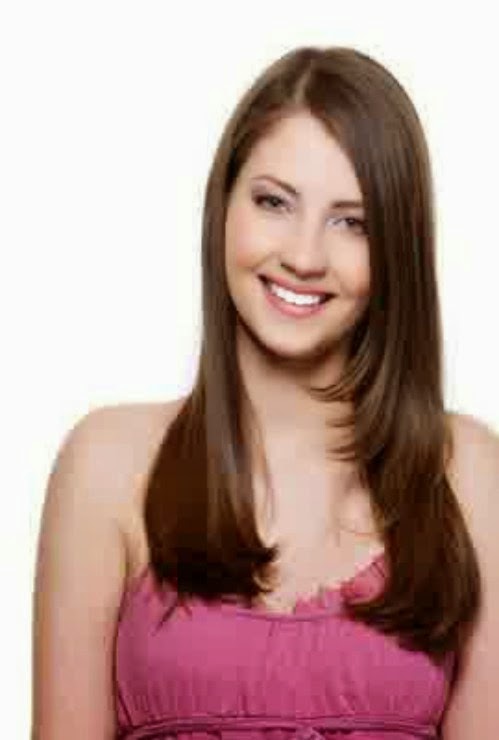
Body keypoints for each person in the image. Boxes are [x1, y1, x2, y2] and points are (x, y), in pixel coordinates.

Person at [31, 45, 499, 739]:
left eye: (352, 222)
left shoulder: (466, 472)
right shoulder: (106, 464)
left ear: (395, 250)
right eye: (274, 202)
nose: (304, 256)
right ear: (223, 208)